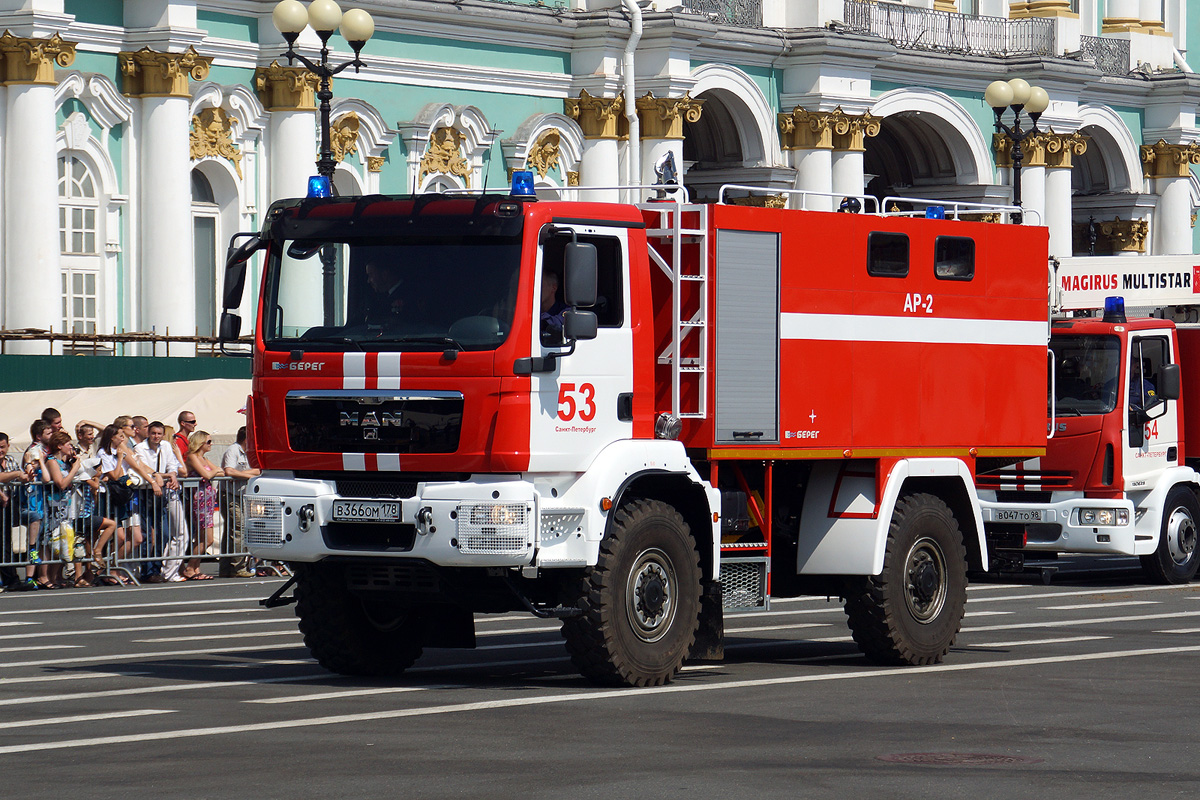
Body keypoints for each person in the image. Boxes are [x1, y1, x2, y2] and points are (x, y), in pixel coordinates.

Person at [134, 421, 189, 582]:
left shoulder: (165, 446)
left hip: (162, 492)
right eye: (153, 433)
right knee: (147, 535)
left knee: (163, 533)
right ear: (148, 433)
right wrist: (166, 475)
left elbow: (173, 465)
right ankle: (147, 570)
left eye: (159, 434)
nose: (156, 437)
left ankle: (157, 568)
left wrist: (171, 474)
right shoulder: (140, 448)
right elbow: (144, 469)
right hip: (146, 492)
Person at [183, 430, 224, 580]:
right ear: (200, 443)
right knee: (207, 538)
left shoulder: (204, 459)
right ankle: (190, 567)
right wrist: (215, 471)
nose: (211, 444)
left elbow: (221, 472)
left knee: (202, 537)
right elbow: (207, 475)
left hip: (207, 500)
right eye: (208, 442)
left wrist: (215, 471)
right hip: (199, 499)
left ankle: (195, 568)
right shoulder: (193, 457)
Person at [220, 426, 260, 578]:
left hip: (243, 495)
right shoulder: (233, 450)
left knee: (236, 530)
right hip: (231, 494)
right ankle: (237, 567)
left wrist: (242, 474)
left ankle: (226, 568)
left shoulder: (250, 453)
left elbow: (258, 470)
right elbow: (229, 471)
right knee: (238, 530)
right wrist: (248, 475)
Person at [0, 433, 28, 590]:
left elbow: (20, 476)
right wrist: (16, 474)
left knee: (6, 542)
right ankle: (10, 578)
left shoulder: (10, 460)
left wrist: (24, 476)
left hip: (9, 505)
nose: (0, 450)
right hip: (1, 503)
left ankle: (12, 578)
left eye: (3, 447)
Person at [540, 270, 569, 344]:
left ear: (554, 288)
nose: (534, 290)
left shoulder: (566, 310)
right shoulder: (526, 311)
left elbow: (557, 325)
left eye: (540, 285)